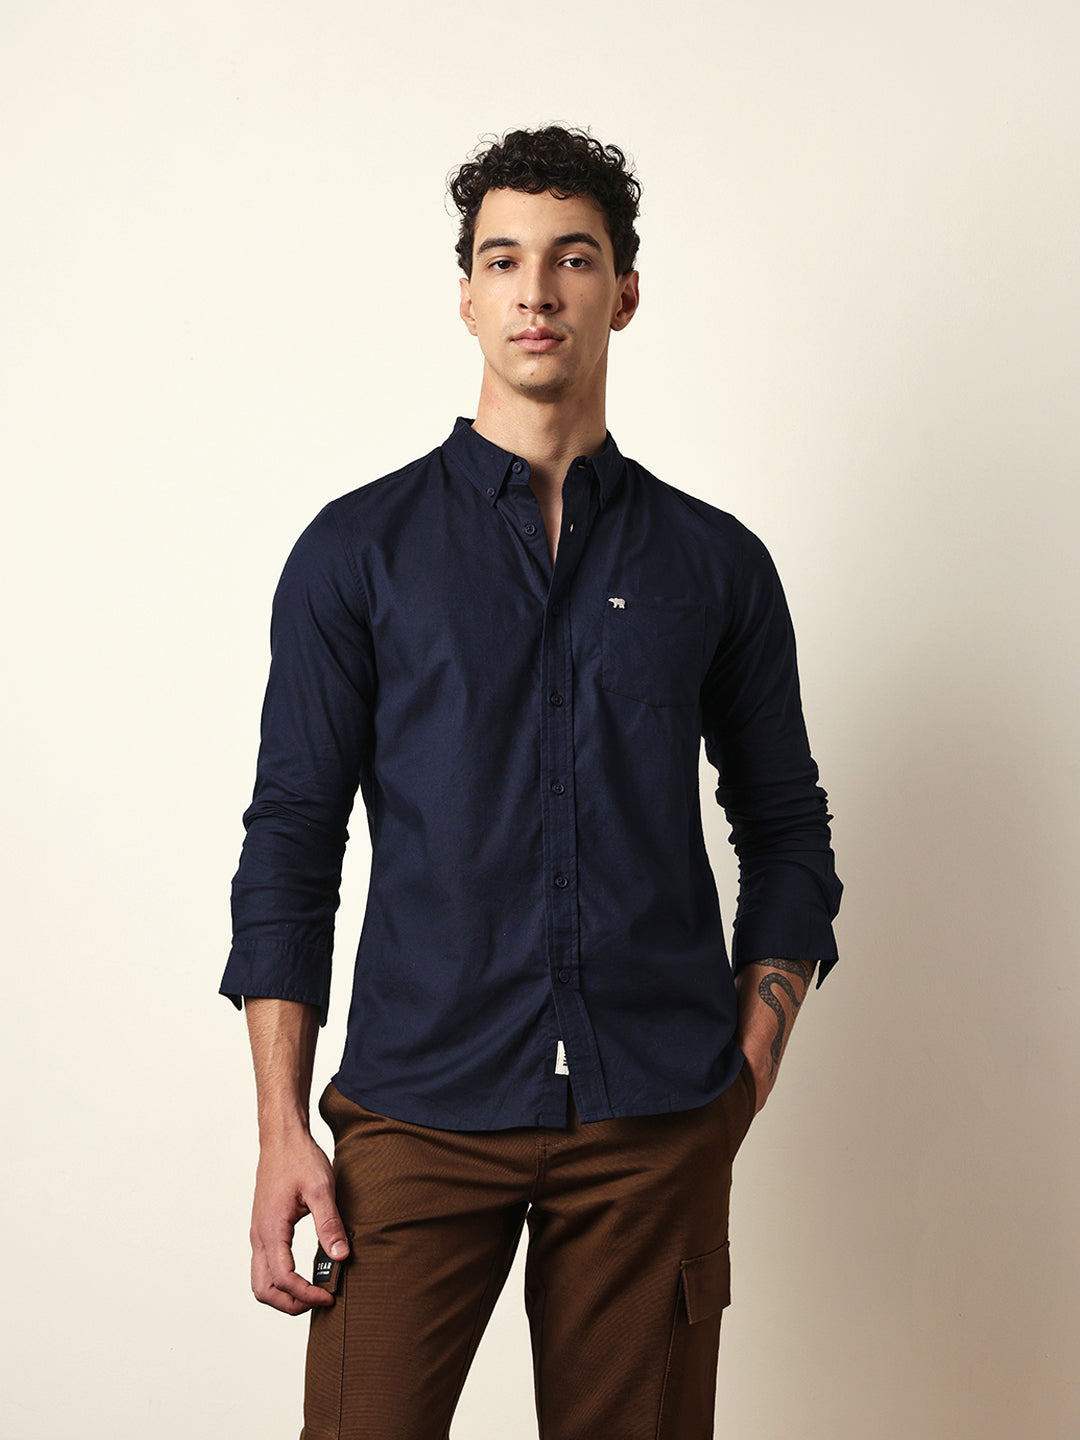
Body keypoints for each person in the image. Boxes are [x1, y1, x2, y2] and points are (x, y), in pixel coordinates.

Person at [221, 125, 842, 1440]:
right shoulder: (357, 553)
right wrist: (281, 1128)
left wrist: (746, 1071)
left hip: (654, 1124)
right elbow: (291, 843)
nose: (537, 291)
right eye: (503, 260)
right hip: (416, 1114)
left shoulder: (716, 564)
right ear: (465, 297)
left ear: (625, 291)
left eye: (573, 258)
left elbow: (788, 830)